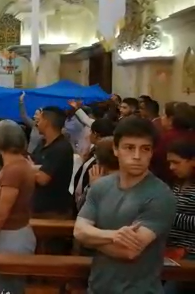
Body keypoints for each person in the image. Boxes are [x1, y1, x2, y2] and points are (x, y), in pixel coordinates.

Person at [73, 116, 176, 294]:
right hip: (97, 287)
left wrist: (90, 239)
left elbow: (128, 251)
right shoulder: (101, 186)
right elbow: (78, 231)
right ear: (115, 149)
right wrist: (114, 235)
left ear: (152, 152)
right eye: (129, 148)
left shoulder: (161, 195)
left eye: (145, 149)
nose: (137, 156)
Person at [0, 120, 36, 294]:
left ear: (0, 141)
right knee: (7, 287)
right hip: (11, 233)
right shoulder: (19, 165)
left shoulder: (14, 170)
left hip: (12, 236)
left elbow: (3, 211)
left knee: (0, 288)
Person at [31, 106, 74, 218]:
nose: (36, 124)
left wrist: (31, 168)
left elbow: (42, 179)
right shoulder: (41, 143)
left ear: (46, 122)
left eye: (39, 120)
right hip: (35, 206)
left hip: (52, 210)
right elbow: (29, 162)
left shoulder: (61, 148)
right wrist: (37, 168)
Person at [164, 139, 195, 294]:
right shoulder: (178, 184)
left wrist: (171, 216)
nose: (172, 167)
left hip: (191, 253)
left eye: (176, 162)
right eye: (170, 163)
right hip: (169, 250)